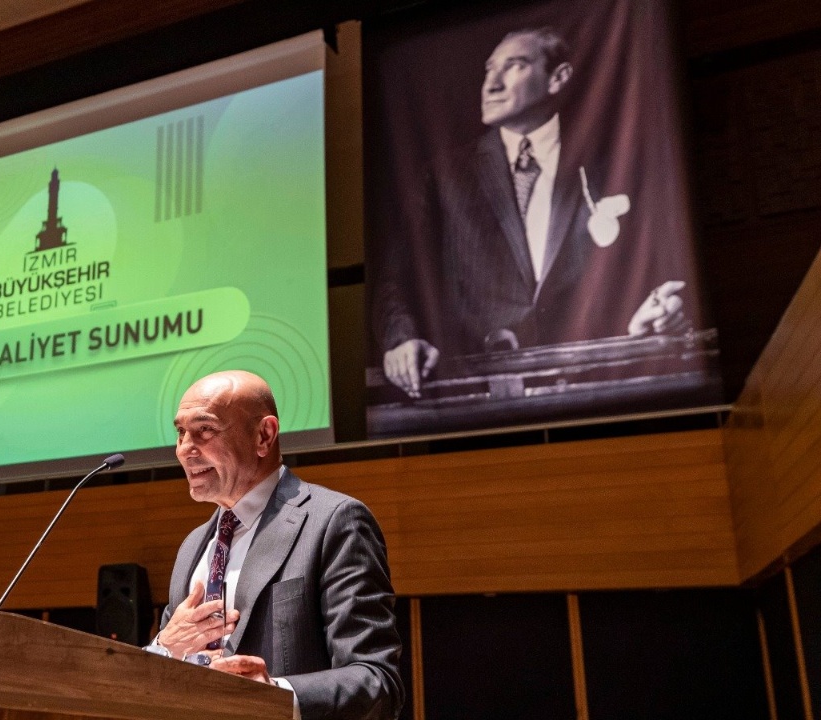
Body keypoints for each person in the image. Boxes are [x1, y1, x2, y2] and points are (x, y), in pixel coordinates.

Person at [375, 26, 689, 398]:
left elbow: (649, 270)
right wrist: (400, 340)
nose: (491, 84)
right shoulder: (444, 179)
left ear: (558, 78)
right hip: (479, 401)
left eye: (514, 66)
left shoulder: (611, 165)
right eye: (489, 70)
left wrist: (652, 314)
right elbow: (395, 280)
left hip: (598, 389)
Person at [153, 370, 403, 720]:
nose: (184, 450)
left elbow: (377, 681)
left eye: (204, 430)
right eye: (181, 432)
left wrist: (277, 695)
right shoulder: (193, 546)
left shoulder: (334, 522)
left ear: (264, 435)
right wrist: (163, 648)